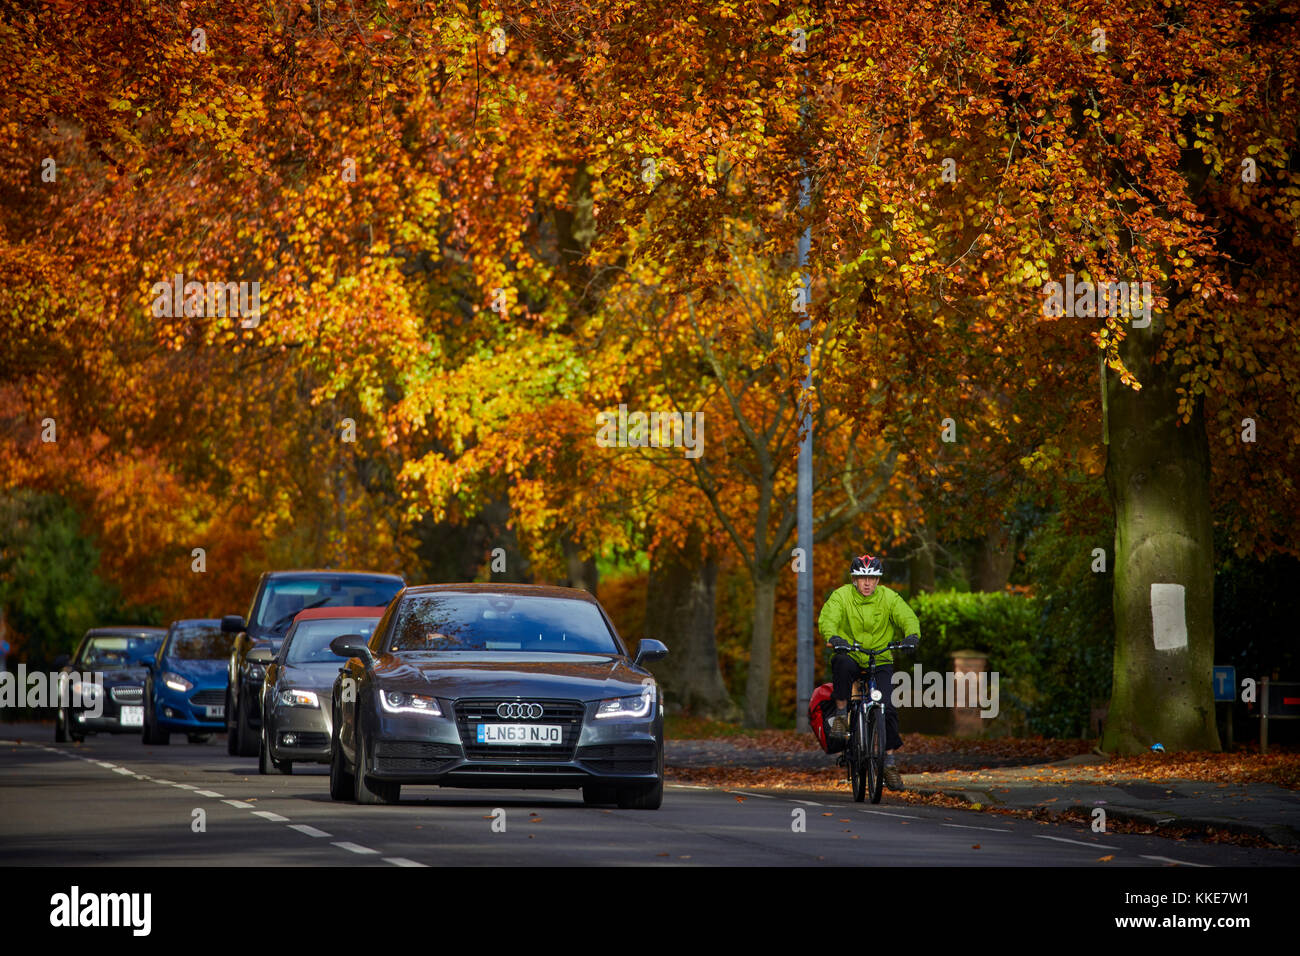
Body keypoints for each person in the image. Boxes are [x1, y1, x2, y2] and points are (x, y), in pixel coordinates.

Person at [817, 553, 920, 791]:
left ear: (878, 580)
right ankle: (842, 714)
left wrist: (912, 635)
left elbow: (906, 616)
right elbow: (828, 618)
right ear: (853, 579)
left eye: (872, 578)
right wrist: (833, 636)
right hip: (851, 653)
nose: (867, 583)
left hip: (880, 657)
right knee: (841, 664)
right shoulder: (841, 596)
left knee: (888, 708)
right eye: (862, 578)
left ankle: (890, 764)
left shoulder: (888, 597)